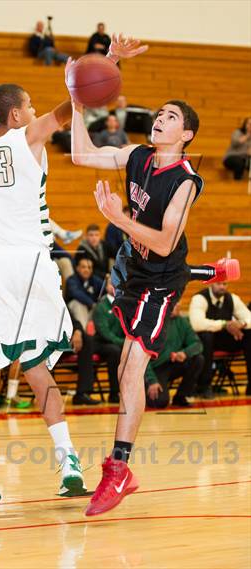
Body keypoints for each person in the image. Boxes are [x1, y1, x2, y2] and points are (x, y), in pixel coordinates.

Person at [66, 34, 240, 516]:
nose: (160, 118)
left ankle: (119, 471)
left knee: (129, 370)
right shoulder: (139, 154)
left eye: (171, 116)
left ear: (185, 134)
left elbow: (163, 241)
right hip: (132, 272)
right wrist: (78, 102)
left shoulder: (186, 181)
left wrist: (118, 217)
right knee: (124, 368)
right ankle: (208, 270)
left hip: (160, 281)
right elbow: (82, 154)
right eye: (159, 113)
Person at [0, 0, 86, 515]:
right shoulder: (27, 137)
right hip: (30, 265)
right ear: (17, 114)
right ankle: (69, 460)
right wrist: (101, 69)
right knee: (36, 368)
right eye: (28, 106)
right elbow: (67, 110)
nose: (35, 113)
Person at [189, 282, 251, 397]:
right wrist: (224, 324)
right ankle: (204, 386)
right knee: (206, 336)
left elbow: (249, 317)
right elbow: (196, 324)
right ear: (211, 283)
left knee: (249, 333)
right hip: (204, 342)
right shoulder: (199, 298)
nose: (222, 287)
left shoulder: (232, 298)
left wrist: (241, 324)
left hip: (225, 340)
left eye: (225, 284)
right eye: (218, 284)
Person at [145, 302, 204, 408]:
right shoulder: (152, 324)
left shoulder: (182, 321)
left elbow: (198, 344)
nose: (178, 305)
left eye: (178, 302)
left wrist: (185, 353)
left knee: (198, 359)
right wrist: (151, 380)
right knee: (159, 402)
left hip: (173, 363)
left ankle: (181, 396)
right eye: (174, 303)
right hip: (155, 368)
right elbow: (142, 358)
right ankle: (144, 390)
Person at [92, 280, 125, 403]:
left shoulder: (124, 304)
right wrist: (123, 343)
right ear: (106, 287)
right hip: (100, 343)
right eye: (112, 284)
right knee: (114, 351)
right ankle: (114, 392)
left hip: (118, 342)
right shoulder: (101, 306)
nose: (115, 286)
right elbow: (105, 332)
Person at [66, 257, 103, 330]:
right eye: (83, 267)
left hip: (91, 309)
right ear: (77, 268)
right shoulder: (72, 279)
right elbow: (76, 293)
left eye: (89, 267)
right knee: (79, 304)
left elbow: (105, 287)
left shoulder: (94, 279)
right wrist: (92, 304)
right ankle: (84, 334)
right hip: (73, 311)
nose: (87, 270)